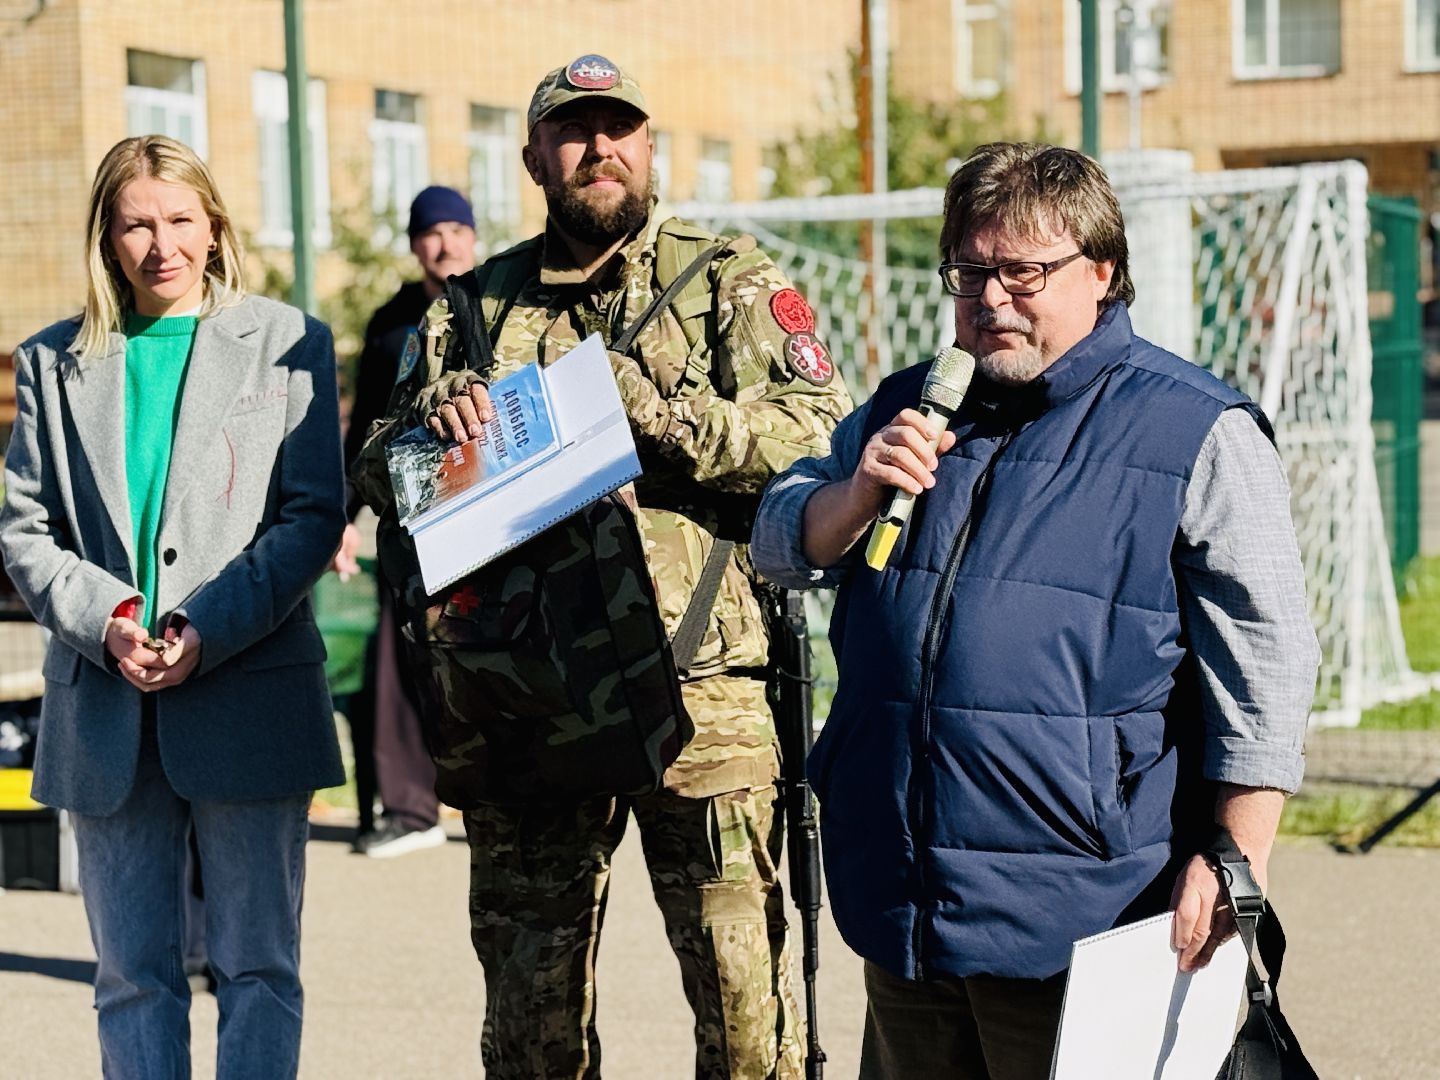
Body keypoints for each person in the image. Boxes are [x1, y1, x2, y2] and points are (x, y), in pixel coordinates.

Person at [751, 142, 1320, 1079]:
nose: (991, 298)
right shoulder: (912, 405)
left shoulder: (1195, 428)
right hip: (904, 907)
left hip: (1083, 919)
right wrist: (854, 494)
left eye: (1024, 271)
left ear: (1102, 271)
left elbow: (1267, 663)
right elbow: (778, 540)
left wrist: (1236, 859)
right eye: (970, 272)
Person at [352, 54, 851, 1079]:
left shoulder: (728, 281)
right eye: (575, 132)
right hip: (526, 694)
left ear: (649, 143)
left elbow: (817, 436)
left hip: (703, 690)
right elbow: (378, 468)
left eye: (620, 127)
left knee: (745, 1010)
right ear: (536, 156)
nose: (600, 148)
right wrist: (434, 438)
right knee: (531, 1020)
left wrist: (662, 420)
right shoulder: (470, 308)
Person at [0, 134, 345, 1079]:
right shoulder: (50, 362)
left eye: (181, 220)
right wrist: (109, 617)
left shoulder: (288, 344)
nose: (163, 245)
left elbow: (312, 516)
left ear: (215, 225)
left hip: (250, 688)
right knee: (131, 977)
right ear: (106, 238)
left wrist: (208, 626)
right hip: (106, 709)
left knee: (258, 967)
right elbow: (24, 529)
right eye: (137, 224)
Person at [334, 185, 477, 858]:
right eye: (430, 233)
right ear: (415, 245)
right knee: (398, 656)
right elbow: (363, 426)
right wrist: (344, 518)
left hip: (495, 512)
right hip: (416, 516)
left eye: (455, 229)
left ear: (472, 237)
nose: (444, 244)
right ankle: (411, 809)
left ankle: (520, 796)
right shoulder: (392, 324)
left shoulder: (502, 303)